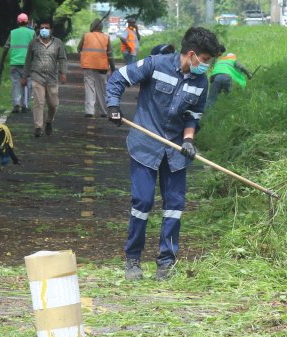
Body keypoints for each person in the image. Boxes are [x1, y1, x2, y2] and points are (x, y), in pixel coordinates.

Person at [106, 26, 224, 281]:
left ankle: (166, 262)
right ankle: (133, 260)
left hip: (176, 150)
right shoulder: (155, 65)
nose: (206, 66)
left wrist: (189, 140)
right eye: (204, 61)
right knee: (143, 203)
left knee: (174, 206)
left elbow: (194, 115)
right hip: (145, 146)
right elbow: (118, 78)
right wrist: (114, 106)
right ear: (191, 54)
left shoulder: (200, 81)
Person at [23, 20, 67, 137]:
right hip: (37, 77)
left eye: (46, 28)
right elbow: (28, 61)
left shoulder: (58, 43)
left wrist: (63, 73)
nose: (44, 30)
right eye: (42, 27)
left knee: (53, 104)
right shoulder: (33, 43)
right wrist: (24, 76)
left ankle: (48, 121)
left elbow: (62, 58)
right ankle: (38, 127)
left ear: (51, 30)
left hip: (52, 78)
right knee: (39, 102)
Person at [77, 19, 115, 118]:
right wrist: (113, 69)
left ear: (92, 27)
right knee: (102, 90)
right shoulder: (106, 37)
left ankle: (90, 111)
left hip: (88, 66)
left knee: (89, 89)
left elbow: (79, 48)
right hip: (102, 67)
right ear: (101, 28)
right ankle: (104, 111)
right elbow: (110, 55)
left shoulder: (86, 35)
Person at [6, 13, 34, 113]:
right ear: (27, 22)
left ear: (17, 22)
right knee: (28, 84)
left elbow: (6, 47)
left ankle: (16, 104)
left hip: (15, 62)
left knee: (15, 83)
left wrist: (1, 61)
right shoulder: (32, 33)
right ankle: (25, 105)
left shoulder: (12, 32)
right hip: (28, 64)